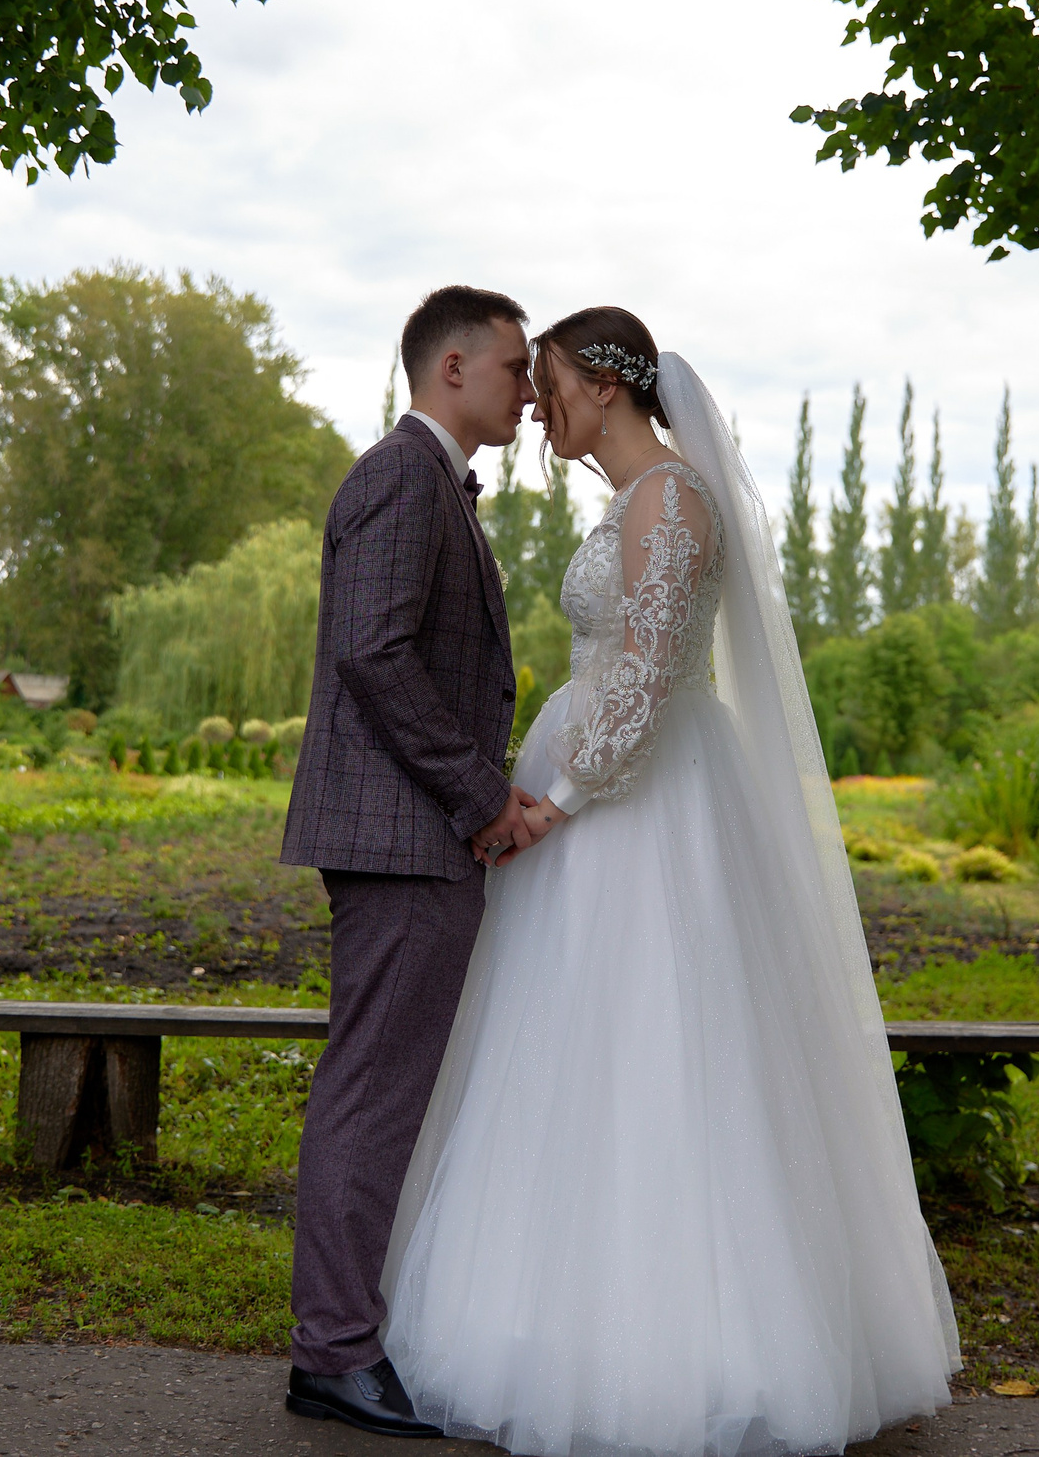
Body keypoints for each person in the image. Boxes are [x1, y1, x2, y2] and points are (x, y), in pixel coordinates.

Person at [381, 307, 961, 1456]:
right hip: (599, 793)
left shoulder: (669, 499)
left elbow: (646, 676)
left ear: (604, 384)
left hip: (641, 809)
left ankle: (679, 1346)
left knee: (655, 1039)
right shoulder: (638, 499)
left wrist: (560, 798)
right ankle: (550, 1315)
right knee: (565, 1047)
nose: (536, 405)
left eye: (547, 381)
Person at [279, 284, 545, 1438]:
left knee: (383, 1090)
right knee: (373, 1093)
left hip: (408, 836)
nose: (528, 389)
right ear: (452, 367)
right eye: (515, 367)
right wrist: (481, 796)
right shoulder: (400, 475)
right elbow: (374, 655)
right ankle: (333, 1354)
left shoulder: (433, 480)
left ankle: (347, 1341)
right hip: (400, 841)